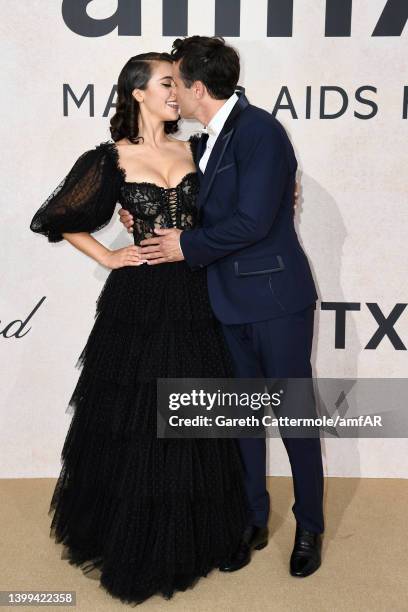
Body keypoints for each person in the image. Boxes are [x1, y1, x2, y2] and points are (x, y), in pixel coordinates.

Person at [29, 52, 250, 606]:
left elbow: (236, 212)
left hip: (199, 294)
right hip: (142, 300)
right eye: (167, 83)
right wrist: (108, 255)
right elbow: (57, 218)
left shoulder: (201, 148)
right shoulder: (111, 158)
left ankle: (196, 535)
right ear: (137, 93)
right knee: (139, 420)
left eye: (179, 83)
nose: (177, 92)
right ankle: (135, 538)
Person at [119, 36, 325, 578]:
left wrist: (183, 245)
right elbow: (205, 210)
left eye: (176, 83)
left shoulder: (259, 132)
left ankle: (310, 526)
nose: (173, 94)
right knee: (241, 420)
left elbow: (253, 222)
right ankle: (252, 519)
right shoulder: (204, 140)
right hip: (224, 301)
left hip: (276, 301)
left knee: (295, 419)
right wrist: (150, 223)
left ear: (198, 88)